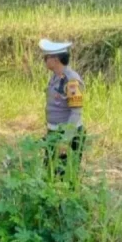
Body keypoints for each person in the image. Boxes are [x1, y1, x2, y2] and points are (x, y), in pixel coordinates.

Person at [39, 39, 85, 175]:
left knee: (64, 176)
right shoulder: (56, 77)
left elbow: (76, 112)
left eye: (46, 57)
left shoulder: (71, 81)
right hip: (54, 133)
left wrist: (66, 140)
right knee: (49, 173)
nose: (44, 60)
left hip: (66, 135)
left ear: (55, 60)